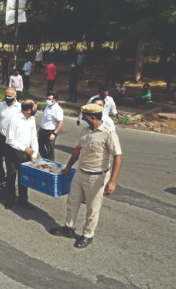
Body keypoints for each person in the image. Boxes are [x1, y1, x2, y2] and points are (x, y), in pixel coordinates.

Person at [50, 104, 122, 249]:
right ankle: (68, 228)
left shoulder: (108, 134)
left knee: (92, 208)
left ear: (92, 117)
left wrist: (112, 181)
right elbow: (78, 149)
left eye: (84, 117)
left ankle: (88, 235)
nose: (82, 119)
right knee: (72, 202)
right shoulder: (86, 130)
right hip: (80, 173)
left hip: (96, 177)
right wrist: (69, 165)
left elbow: (118, 156)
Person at [3, 100, 38, 210]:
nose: (36, 111)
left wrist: (34, 154)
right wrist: (24, 148)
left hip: (26, 152)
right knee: (11, 176)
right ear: (28, 110)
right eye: (35, 109)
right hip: (13, 151)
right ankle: (10, 199)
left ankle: (23, 200)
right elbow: (9, 140)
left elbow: (33, 137)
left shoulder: (31, 118)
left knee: (24, 177)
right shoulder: (14, 119)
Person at [0, 88, 21, 189]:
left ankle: (9, 184)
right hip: (1, 136)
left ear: (15, 97)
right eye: (6, 95)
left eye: (10, 96)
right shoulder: (2, 106)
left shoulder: (20, 108)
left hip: (12, 139)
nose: (7, 98)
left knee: (10, 162)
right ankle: (1, 177)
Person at [38, 92, 64, 161]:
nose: (47, 100)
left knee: (50, 150)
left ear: (55, 100)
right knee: (39, 147)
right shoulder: (48, 106)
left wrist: (54, 134)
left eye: (49, 99)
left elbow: (61, 123)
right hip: (43, 130)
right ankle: (46, 160)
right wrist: (40, 128)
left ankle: (51, 163)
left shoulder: (57, 109)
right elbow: (45, 119)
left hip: (50, 132)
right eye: (47, 98)